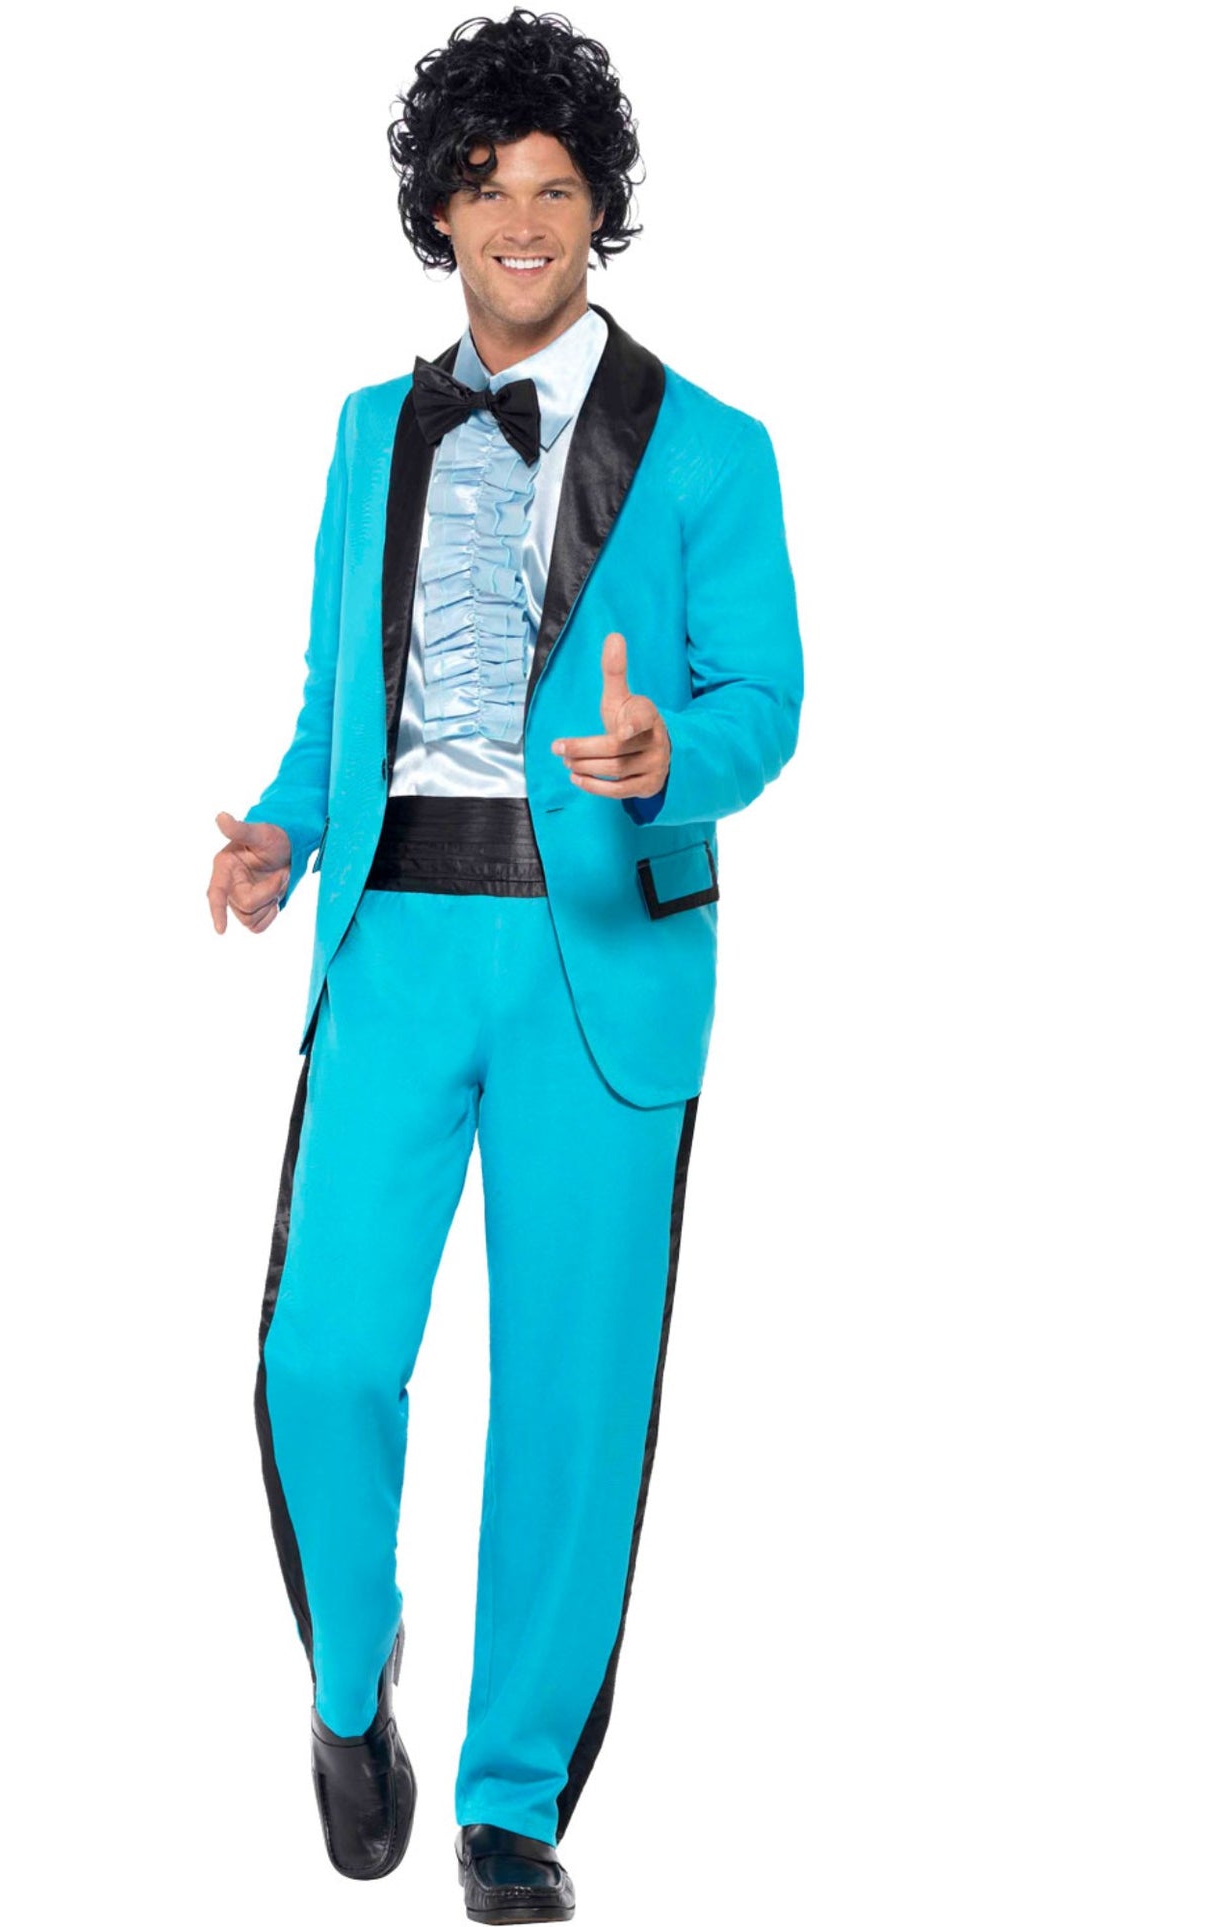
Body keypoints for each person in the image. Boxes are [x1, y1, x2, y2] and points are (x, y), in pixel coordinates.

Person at [206, 9, 804, 1918]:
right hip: (393, 944)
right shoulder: (363, 432)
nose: (521, 219)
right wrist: (279, 830)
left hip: (595, 960)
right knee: (321, 1358)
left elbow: (762, 697)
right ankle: (347, 1675)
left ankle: (512, 1803)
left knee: (571, 1389)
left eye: (554, 187)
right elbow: (336, 695)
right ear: (439, 212)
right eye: (486, 187)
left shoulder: (712, 449)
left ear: (598, 208)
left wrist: (666, 755)